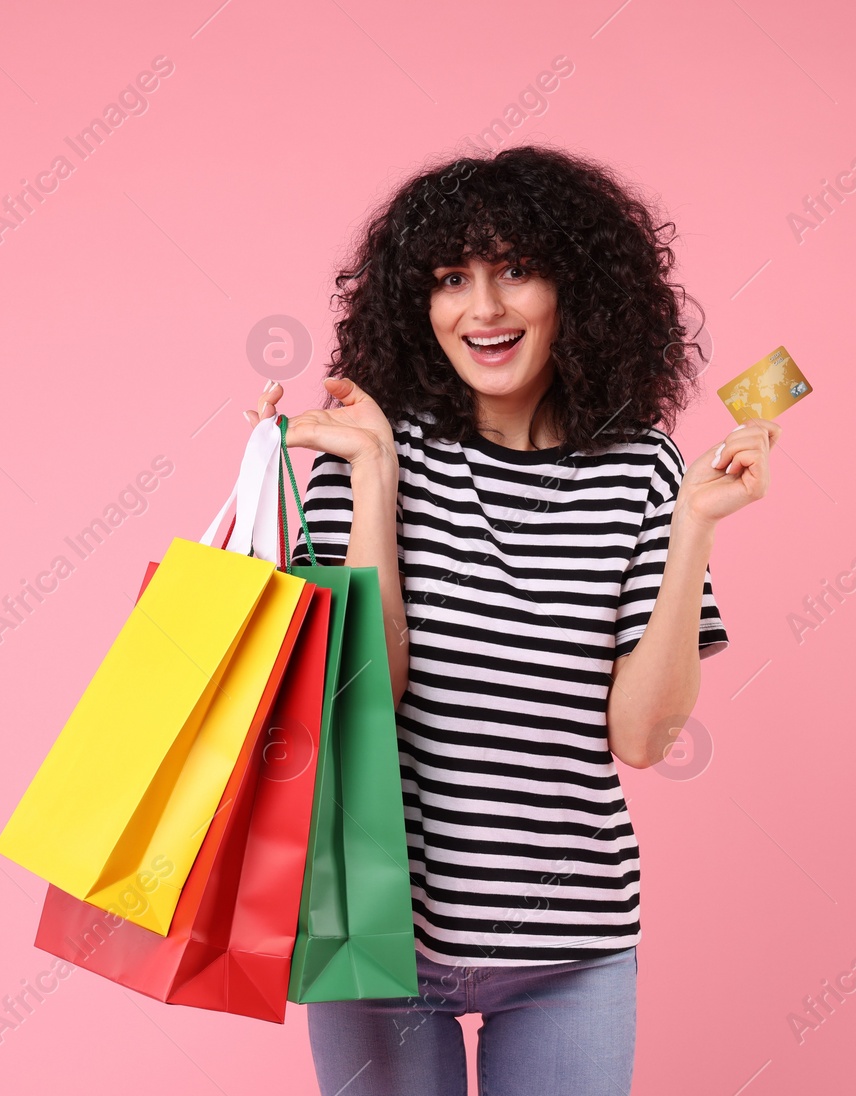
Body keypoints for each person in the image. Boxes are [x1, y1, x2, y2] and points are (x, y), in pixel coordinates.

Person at [241, 144, 779, 1096]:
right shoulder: (369, 447)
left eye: (516, 271)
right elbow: (369, 693)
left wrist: (692, 525)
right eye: (453, 279)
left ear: (578, 291)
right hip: (375, 932)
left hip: (571, 944)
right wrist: (374, 486)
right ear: (419, 303)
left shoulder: (643, 469)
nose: (483, 310)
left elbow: (641, 737)